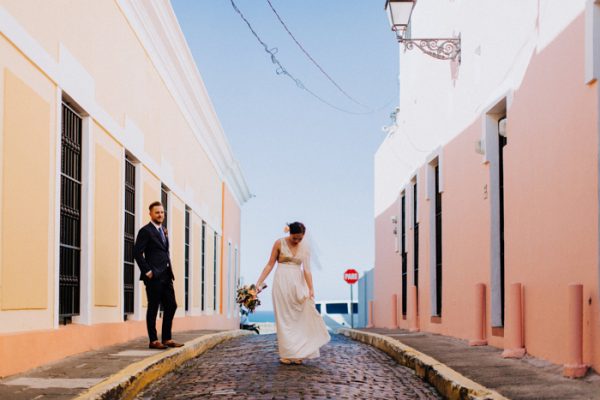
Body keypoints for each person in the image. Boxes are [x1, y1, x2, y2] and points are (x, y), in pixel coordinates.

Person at [255, 222, 330, 364]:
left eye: (300, 239)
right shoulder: (279, 243)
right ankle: (287, 353)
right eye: (294, 238)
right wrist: (258, 283)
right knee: (284, 318)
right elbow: (270, 264)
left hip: (298, 283)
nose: (297, 241)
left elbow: (307, 270)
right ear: (290, 233)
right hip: (281, 282)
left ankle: (299, 353)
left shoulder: (305, 248)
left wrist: (311, 288)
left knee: (299, 316)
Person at [133, 201, 184, 350]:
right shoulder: (145, 231)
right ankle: (153, 340)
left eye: (162, 212)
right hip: (154, 276)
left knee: (171, 305)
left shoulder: (163, 230)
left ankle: (167, 338)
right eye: (157, 212)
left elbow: (163, 251)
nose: (160, 215)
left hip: (167, 275)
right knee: (153, 307)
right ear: (151, 214)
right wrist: (148, 271)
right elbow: (137, 252)